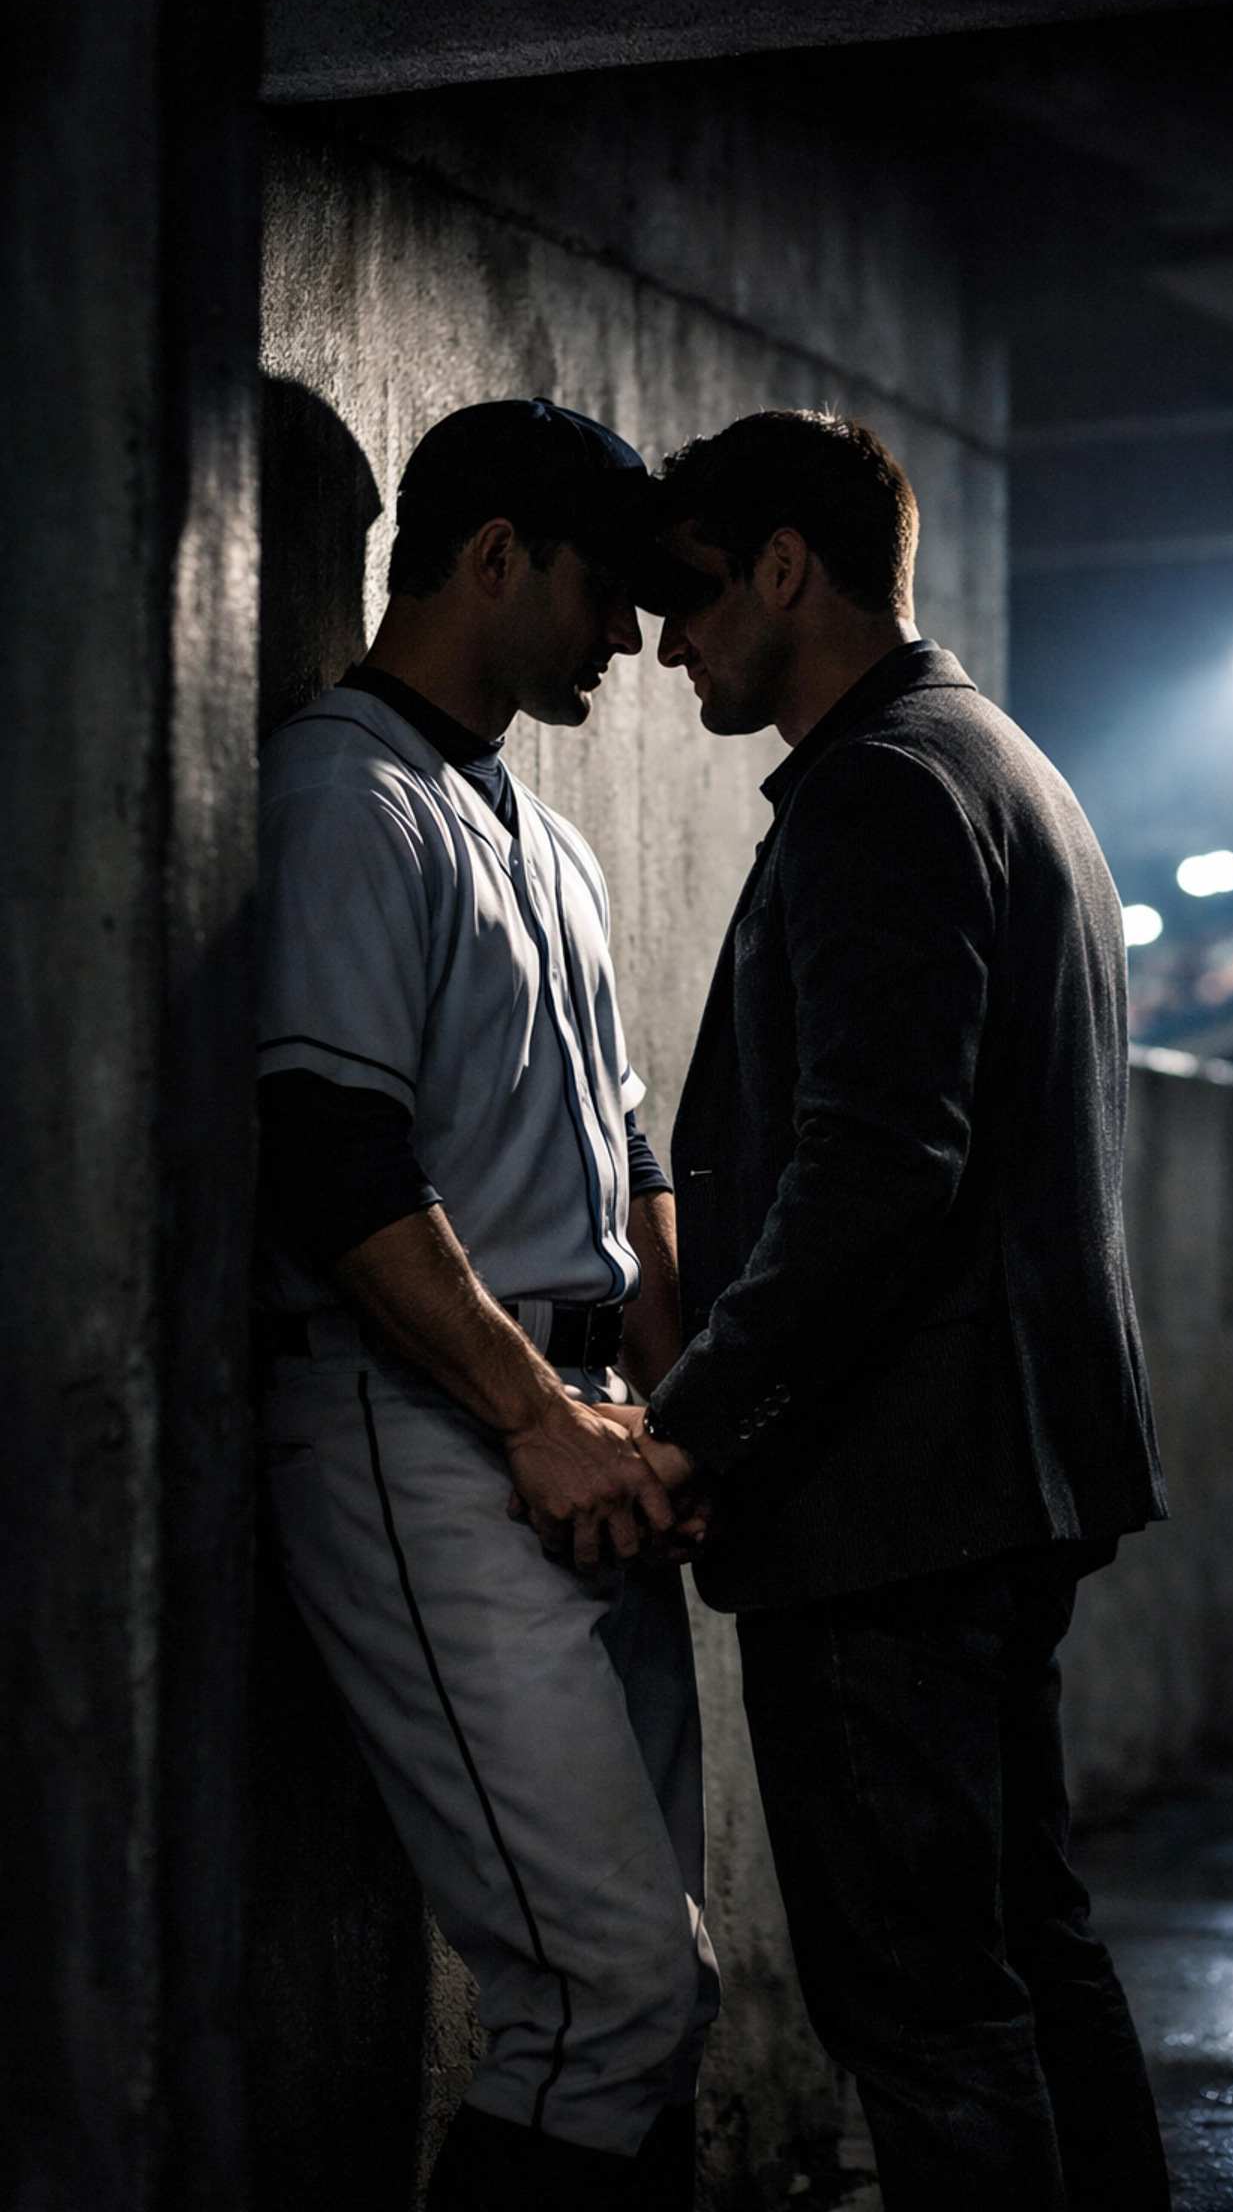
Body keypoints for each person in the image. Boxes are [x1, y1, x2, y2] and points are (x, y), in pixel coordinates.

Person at [634, 410, 1172, 2211]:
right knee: (1025, 1949)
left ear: (789, 563)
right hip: (991, 1480)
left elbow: (876, 1167)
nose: (663, 640)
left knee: (925, 2011)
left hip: (891, 1508)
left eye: (692, 592)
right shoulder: (1002, 762)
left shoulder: (884, 786)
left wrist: (698, 1417)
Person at [252, 399, 718, 2212]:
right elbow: (329, 1149)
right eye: (606, 589)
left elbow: (632, 1154)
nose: (628, 635)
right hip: (431, 1431)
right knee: (609, 1997)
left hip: (591, 1443)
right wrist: (536, 1415)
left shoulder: (549, 831)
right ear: (494, 553)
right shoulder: (341, 794)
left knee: (643, 2006)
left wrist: (670, 1412)